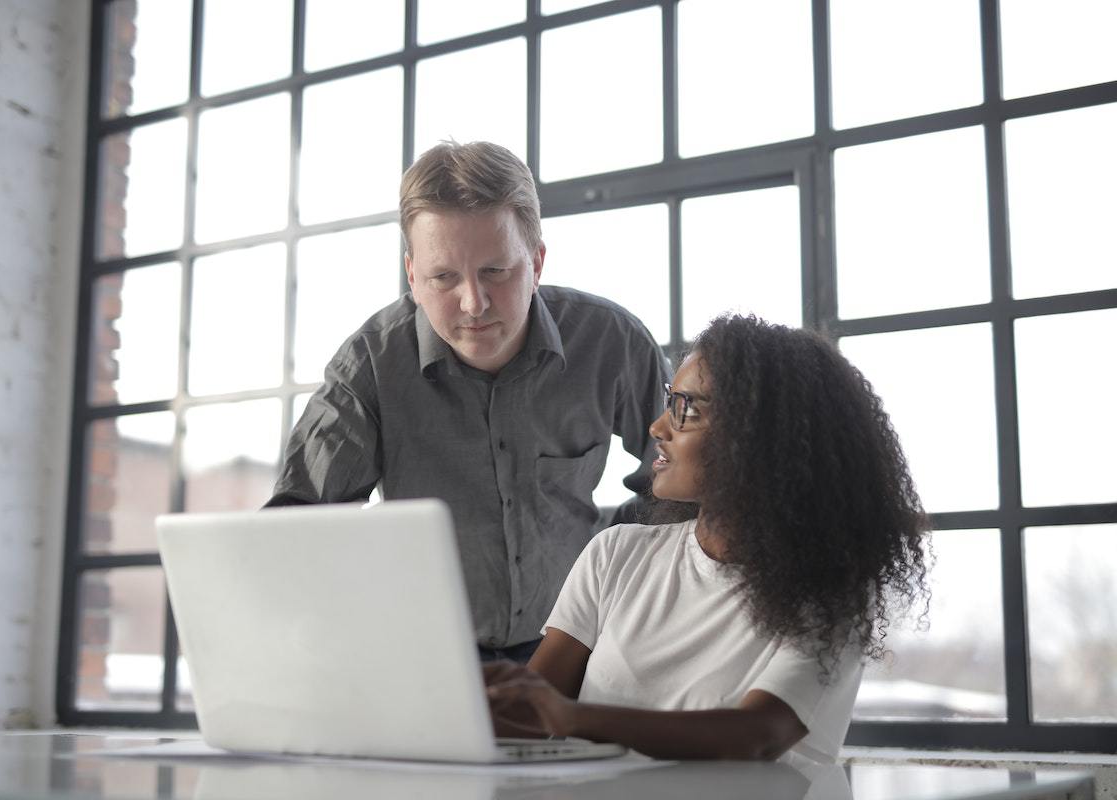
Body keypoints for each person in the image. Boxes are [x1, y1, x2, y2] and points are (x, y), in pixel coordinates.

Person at [267, 141, 671, 663]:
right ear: (413, 276)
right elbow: (297, 530)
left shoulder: (611, 340)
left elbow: (684, 481)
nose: (473, 303)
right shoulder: (370, 364)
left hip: (580, 647)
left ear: (537, 262)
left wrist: (612, 562)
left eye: (495, 271)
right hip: (424, 657)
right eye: (444, 277)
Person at [484, 314, 930, 763]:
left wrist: (572, 718)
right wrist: (469, 701)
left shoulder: (831, 592)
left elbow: (759, 734)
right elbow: (528, 715)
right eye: (669, 402)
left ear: (759, 437)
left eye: (687, 409)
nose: (658, 428)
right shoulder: (614, 554)